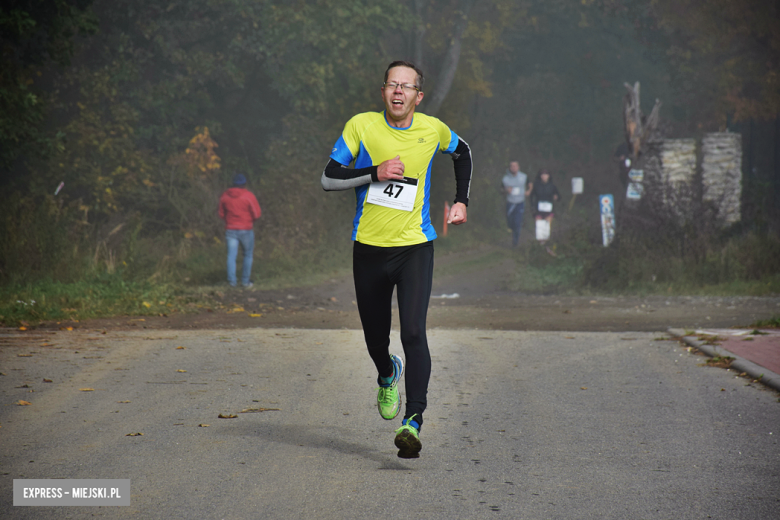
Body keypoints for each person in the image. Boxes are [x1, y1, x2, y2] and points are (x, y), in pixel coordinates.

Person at [321, 60, 472, 458]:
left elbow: (463, 152)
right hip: (368, 249)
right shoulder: (362, 126)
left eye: (407, 86)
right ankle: (388, 373)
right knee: (376, 339)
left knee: (414, 333)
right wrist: (374, 172)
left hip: (414, 247)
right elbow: (328, 177)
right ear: (384, 91)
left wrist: (461, 201)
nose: (399, 92)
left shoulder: (432, 129)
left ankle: (414, 420)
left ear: (418, 96)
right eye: (392, 85)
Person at [218, 173, 261, 288]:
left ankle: (232, 282)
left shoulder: (225, 196)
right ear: (245, 184)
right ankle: (245, 282)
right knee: (247, 255)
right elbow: (257, 214)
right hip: (246, 229)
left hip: (231, 230)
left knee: (231, 256)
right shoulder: (249, 196)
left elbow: (221, 213)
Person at [528, 169, 559, 249]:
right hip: (538, 209)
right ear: (540, 176)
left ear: (548, 176)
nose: (544, 176)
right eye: (542, 175)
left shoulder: (552, 186)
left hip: (549, 209)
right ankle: (539, 244)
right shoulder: (536, 185)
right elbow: (531, 197)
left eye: (546, 174)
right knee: (539, 226)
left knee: (547, 226)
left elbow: (558, 196)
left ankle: (546, 244)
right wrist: (532, 207)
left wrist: (556, 197)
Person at [501, 161, 529, 247]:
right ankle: (513, 230)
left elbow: (530, 184)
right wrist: (506, 190)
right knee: (510, 222)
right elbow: (501, 190)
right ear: (509, 168)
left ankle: (515, 241)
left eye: (515, 166)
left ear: (518, 167)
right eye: (512, 166)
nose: (513, 168)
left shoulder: (524, 177)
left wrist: (528, 191)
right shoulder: (505, 179)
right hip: (510, 203)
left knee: (517, 223)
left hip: (520, 202)